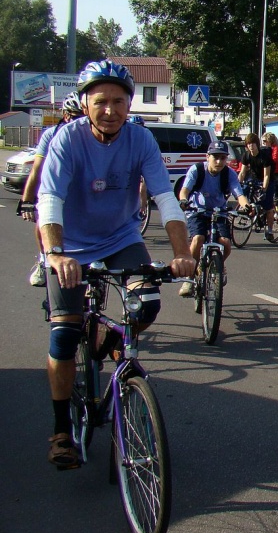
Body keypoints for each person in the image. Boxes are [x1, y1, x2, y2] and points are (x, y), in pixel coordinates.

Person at [37, 59, 195, 468]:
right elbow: (50, 199)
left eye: (119, 101)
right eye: (101, 101)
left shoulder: (141, 141)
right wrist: (55, 254)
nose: (110, 110)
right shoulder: (66, 140)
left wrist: (182, 254)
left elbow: (165, 198)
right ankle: (60, 431)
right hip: (70, 244)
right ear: (85, 103)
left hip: (120, 237)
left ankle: (107, 342)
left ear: (129, 105)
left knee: (147, 304)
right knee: (64, 337)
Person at [19, 91, 84, 287]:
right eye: (74, 117)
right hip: (55, 188)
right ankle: (43, 260)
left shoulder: (93, 136)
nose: (79, 122)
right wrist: (27, 201)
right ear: (65, 115)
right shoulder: (51, 135)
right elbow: (37, 169)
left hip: (82, 192)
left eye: (83, 117)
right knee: (42, 223)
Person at [178, 141, 251, 296]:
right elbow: (184, 190)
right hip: (197, 211)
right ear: (207, 157)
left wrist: (246, 206)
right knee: (198, 238)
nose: (219, 161)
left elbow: (239, 194)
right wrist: (184, 200)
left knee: (226, 244)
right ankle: (189, 279)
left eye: (223, 158)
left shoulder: (229, 173)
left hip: (219, 212)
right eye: (215, 157)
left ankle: (217, 267)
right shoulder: (197, 170)